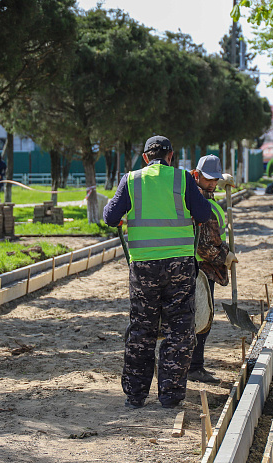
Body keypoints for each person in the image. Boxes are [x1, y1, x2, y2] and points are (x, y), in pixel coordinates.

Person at [103, 135, 211, 409]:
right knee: (179, 329)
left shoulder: (131, 180)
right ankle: (170, 396)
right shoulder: (182, 179)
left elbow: (110, 217)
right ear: (171, 156)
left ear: (145, 158)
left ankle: (136, 396)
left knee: (142, 329)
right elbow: (203, 213)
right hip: (179, 267)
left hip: (143, 268)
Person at [189, 155, 238, 383]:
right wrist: (224, 257)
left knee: (200, 316)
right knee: (201, 318)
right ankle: (194, 367)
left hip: (204, 267)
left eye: (215, 180)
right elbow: (202, 245)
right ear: (196, 175)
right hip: (200, 268)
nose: (212, 184)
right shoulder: (198, 201)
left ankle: (193, 366)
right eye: (208, 179)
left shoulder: (203, 195)